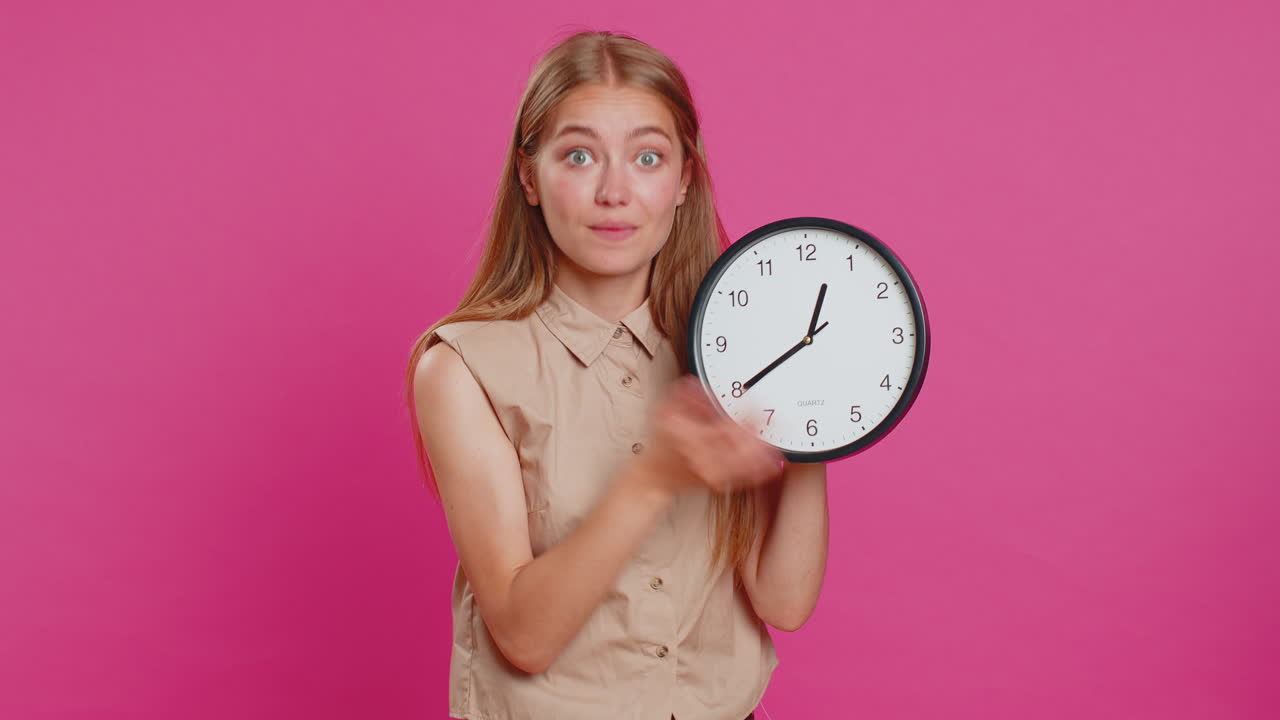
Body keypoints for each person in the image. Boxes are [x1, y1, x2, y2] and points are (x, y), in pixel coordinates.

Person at [405, 30, 829, 720]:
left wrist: (819, 423)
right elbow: (523, 635)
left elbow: (783, 600)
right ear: (529, 176)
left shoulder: (727, 348)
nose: (614, 191)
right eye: (578, 155)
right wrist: (655, 478)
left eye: (648, 157)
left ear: (684, 180)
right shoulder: (461, 369)